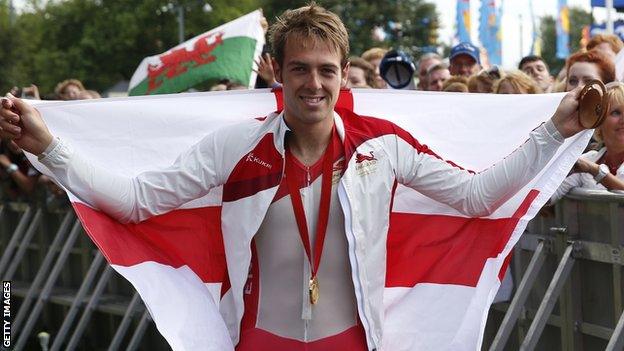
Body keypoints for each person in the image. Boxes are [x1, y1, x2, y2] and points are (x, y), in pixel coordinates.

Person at [0, 4, 587, 350]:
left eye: (327, 71)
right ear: (276, 71)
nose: (314, 84)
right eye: (300, 69)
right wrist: (47, 146)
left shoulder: (380, 146)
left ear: (342, 77)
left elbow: (477, 196)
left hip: (353, 342)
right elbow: (133, 202)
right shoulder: (237, 144)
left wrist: (553, 132)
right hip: (259, 342)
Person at [550, 82, 624, 202]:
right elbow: (548, 198)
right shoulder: (588, 160)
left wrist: (595, 171)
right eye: (616, 112)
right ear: (599, 122)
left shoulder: (588, 165)